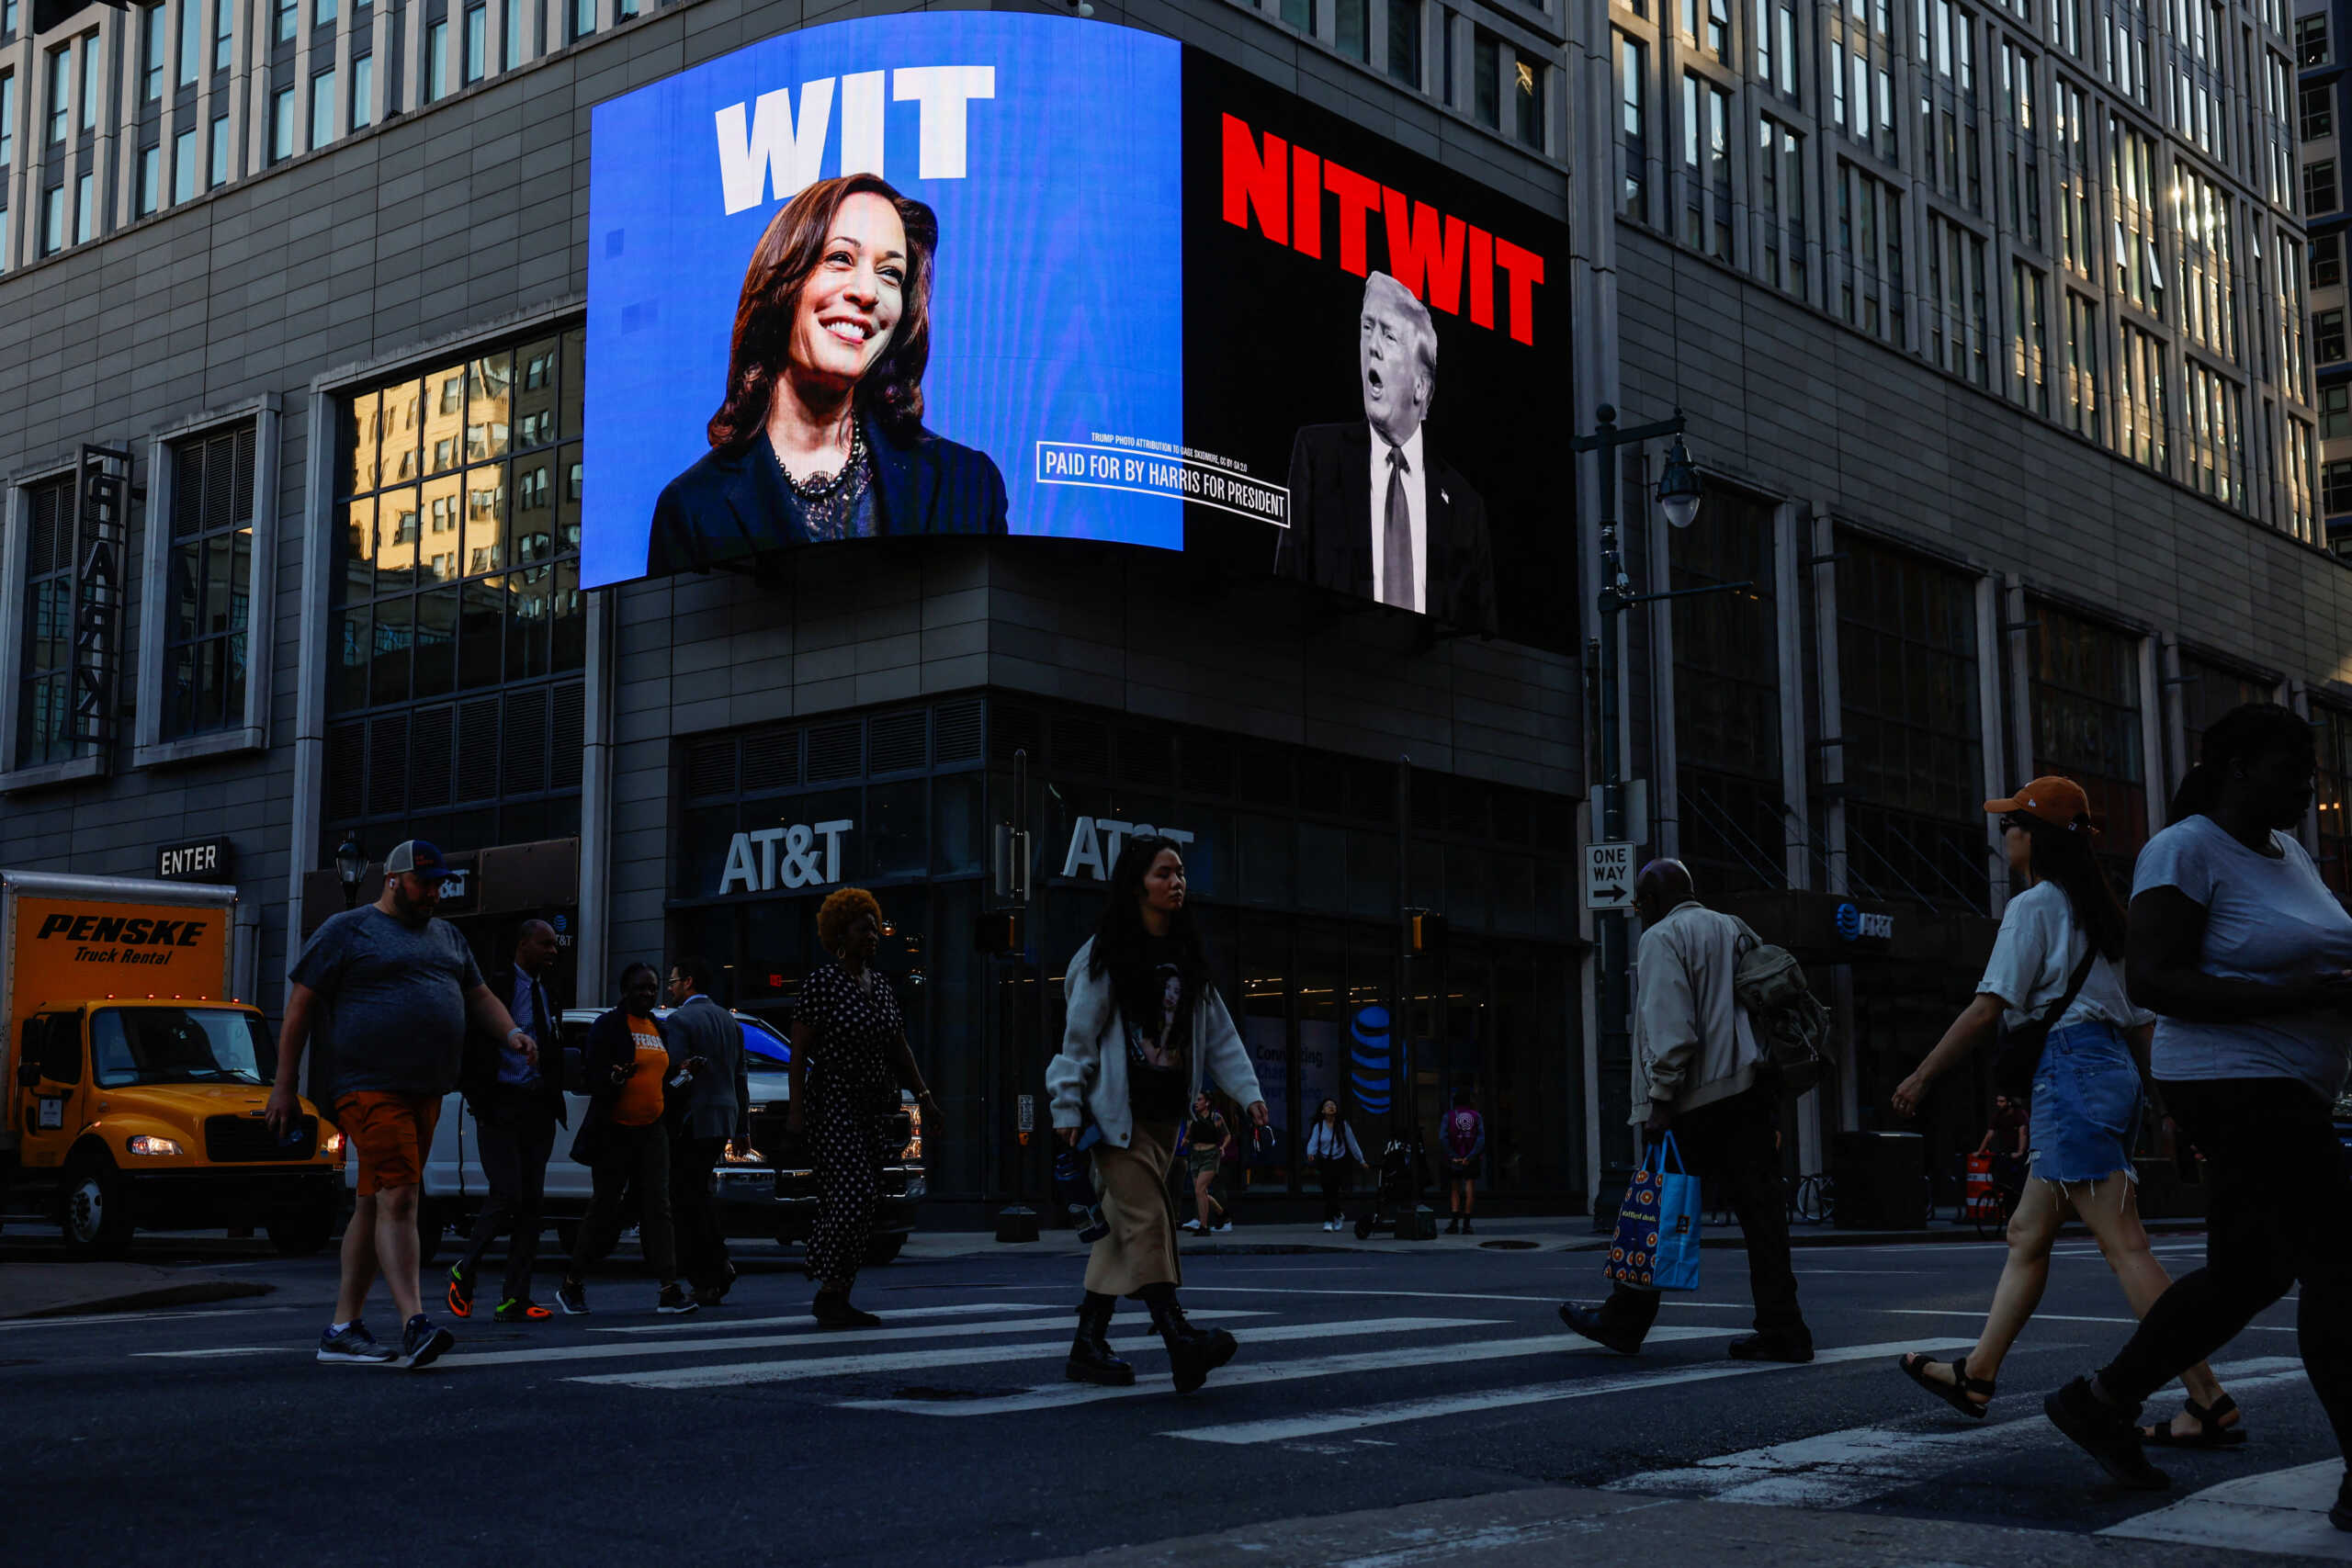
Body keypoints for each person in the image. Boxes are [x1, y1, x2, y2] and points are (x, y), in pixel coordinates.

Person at [2045, 705, 2352, 1504]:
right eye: (2292, 769)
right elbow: (2154, 979)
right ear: (2239, 768)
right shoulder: (2182, 849)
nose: (2306, 786)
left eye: (2310, 770)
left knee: (2250, 1272)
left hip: (2290, 1081)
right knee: (2340, 1261)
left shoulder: (2291, 856)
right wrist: (2294, 993)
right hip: (2233, 1080)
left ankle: (2103, 1400)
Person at [1887, 776, 2237, 1443]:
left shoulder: (2035, 907)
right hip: (2102, 1076)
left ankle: (2210, 1396)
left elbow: (1989, 1006)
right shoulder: (2105, 916)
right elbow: (2141, 1028)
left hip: (2070, 1075)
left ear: (2037, 836)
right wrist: (2169, 1106)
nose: (2004, 837)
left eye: (2011, 825)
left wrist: (1922, 1074)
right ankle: (1979, 1373)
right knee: (2027, 1233)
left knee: (2125, 1244)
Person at [648, 172, 1009, 575]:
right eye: (840, 259)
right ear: (781, 284)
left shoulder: (967, 484)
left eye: (890, 273)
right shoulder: (693, 510)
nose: (867, 292)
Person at [266, 840, 536, 1371]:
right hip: (368, 1086)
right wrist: (283, 1083)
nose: (435, 893)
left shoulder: (448, 936)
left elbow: (478, 994)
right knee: (403, 1197)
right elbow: (300, 1005)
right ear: (394, 880)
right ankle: (415, 1322)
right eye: (425, 883)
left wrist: (512, 1033)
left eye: (440, 884)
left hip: (426, 1089)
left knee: (374, 1204)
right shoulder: (348, 930)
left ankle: (342, 1329)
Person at [1558, 859, 1813, 1362]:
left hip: (1697, 1099)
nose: (1639, 913)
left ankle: (1624, 1320)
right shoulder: (1735, 928)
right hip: (1751, 1089)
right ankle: (1785, 1328)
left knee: (1655, 1205)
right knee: (1763, 1219)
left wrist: (1660, 1101)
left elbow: (1673, 1029)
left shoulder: (1661, 938)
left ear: (1652, 902)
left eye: (1640, 903)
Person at [1048, 835, 1270, 1393]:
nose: (1177, 882)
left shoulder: (1187, 956)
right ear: (1136, 884)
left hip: (1164, 1117)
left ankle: (1087, 1344)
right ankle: (1179, 1340)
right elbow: (1077, 1039)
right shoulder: (1105, 954)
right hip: (1113, 1117)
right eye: (1163, 873)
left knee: (1122, 1231)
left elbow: (1219, 1035)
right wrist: (1067, 1104)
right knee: (1150, 1219)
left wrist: (1249, 1094)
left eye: (1179, 874)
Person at [1284, 270, 1497, 631]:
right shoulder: (1317, 458)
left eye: (1389, 335)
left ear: (1420, 386)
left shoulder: (1465, 508)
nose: (1372, 346)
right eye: (1368, 327)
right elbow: (1286, 591)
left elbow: (1482, 638)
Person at [788, 888, 942, 1329]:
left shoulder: (882, 987)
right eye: (863, 929)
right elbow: (799, 1051)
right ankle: (823, 1269)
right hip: (832, 1100)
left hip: (874, 1106)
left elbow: (899, 1046)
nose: (873, 937)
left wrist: (925, 1097)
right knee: (852, 1193)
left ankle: (837, 1293)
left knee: (867, 1198)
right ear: (841, 933)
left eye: (875, 929)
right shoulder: (822, 983)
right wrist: (796, 1112)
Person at [559, 963, 698, 1317]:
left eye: (652, 988)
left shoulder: (658, 1028)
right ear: (625, 990)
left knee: (659, 1208)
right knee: (604, 1208)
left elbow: (663, 1083)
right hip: (615, 1129)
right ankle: (572, 1284)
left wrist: (684, 1076)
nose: (648, 994)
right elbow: (592, 1076)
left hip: (653, 1130)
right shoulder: (608, 1026)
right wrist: (613, 1079)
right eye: (640, 988)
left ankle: (669, 1289)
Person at [448, 919, 568, 1324]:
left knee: (532, 1204)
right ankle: (465, 1267)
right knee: (508, 1194)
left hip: (536, 1108)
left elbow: (553, 1042)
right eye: (545, 944)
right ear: (523, 946)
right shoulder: (492, 988)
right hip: (499, 1105)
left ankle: (514, 1298)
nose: (553, 951)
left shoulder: (549, 992)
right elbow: (469, 1044)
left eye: (555, 944)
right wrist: (480, 1099)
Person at [665, 954, 751, 1308]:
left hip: (692, 1119)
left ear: (688, 982)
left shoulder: (680, 1020)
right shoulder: (731, 1023)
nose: (669, 987)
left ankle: (711, 1272)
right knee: (698, 1194)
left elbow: (674, 1075)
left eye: (673, 980)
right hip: (724, 1117)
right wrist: (742, 1128)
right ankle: (717, 1267)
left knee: (687, 1200)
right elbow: (740, 1078)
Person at [1305, 1098, 1365, 1232]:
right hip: (1326, 1162)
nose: (1331, 1107)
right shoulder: (1319, 1126)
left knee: (1334, 1191)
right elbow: (1313, 1141)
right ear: (1323, 1110)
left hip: (1339, 1161)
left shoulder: (1342, 1125)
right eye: (1328, 1105)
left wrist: (1361, 1160)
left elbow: (1352, 1142)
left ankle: (1328, 1221)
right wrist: (1311, 1153)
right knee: (1327, 1191)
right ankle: (1338, 1215)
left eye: (1333, 1105)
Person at [1182, 1092, 1236, 1235]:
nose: (1196, 1103)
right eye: (1195, 1100)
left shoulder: (1215, 1117)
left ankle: (1203, 1227)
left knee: (1200, 1190)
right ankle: (1222, 1214)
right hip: (1195, 1156)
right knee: (1201, 1192)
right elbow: (1187, 1135)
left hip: (1210, 1155)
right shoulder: (1192, 1118)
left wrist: (1223, 1147)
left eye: (1199, 1100)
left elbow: (1227, 1134)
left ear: (1207, 1102)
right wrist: (1184, 1141)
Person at [1442, 1088, 1485, 1235]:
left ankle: (1454, 1222)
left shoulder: (1449, 1116)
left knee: (1454, 1188)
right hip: (1471, 1159)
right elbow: (1480, 1139)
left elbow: (1443, 1137)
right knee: (1470, 1187)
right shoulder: (1476, 1116)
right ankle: (1467, 1224)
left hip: (1455, 1158)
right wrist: (1470, 1156)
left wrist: (1453, 1155)